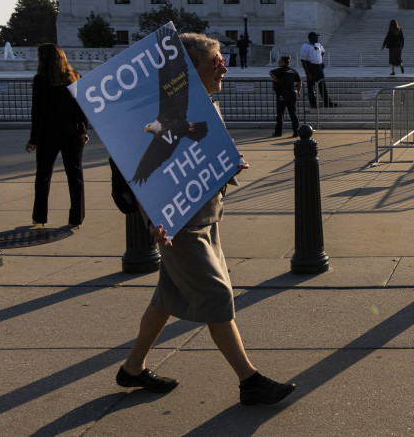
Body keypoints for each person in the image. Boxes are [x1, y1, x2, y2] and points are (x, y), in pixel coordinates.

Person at [116, 32, 295, 405]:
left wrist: (228, 166)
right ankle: (250, 381)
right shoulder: (158, 114)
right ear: (189, 68)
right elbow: (145, 169)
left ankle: (132, 368)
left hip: (206, 216)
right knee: (216, 295)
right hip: (178, 224)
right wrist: (154, 218)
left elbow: (200, 157)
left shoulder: (207, 107)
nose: (224, 67)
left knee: (167, 297)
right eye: (215, 62)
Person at [25, 44, 89, 228]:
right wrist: (83, 130)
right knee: (75, 176)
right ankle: (76, 218)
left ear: (43, 58)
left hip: (49, 135)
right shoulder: (75, 77)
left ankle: (40, 216)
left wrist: (33, 139)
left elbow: (39, 112)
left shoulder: (41, 79)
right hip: (74, 133)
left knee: (43, 176)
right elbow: (83, 109)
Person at [300, 31, 336, 108]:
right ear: (310, 38)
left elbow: (323, 52)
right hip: (311, 67)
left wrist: (319, 59)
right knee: (311, 87)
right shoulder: (305, 47)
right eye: (315, 37)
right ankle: (313, 103)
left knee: (322, 85)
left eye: (317, 37)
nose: (317, 38)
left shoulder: (318, 45)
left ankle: (327, 102)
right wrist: (307, 73)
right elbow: (303, 61)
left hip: (319, 67)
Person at [269, 55, 302, 137]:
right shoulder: (293, 71)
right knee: (293, 114)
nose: (278, 63)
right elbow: (299, 81)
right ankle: (296, 131)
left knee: (280, 114)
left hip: (282, 94)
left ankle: (278, 132)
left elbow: (270, 72)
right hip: (292, 94)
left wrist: (276, 80)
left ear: (283, 62)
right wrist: (298, 91)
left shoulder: (281, 70)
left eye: (279, 61)